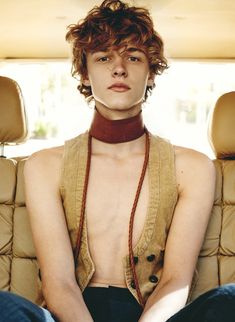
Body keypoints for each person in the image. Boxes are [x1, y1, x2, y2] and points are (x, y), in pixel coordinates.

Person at [1, 0, 235, 321]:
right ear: (85, 74)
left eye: (134, 57)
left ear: (151, 74)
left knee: (231, 299)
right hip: (70, 314)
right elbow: (59, 283)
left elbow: (175, 280)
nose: (119, 68)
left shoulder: (192, 167)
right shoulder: (44, 165)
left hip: (156, 315)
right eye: (103, 57)